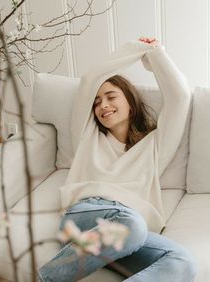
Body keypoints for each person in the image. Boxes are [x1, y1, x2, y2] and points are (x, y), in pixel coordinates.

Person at [38, 38, 198, 282]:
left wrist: (155, 54)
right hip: (87, 215)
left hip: (129, 234)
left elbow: (180, 96)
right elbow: (91, 77)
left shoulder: (154, 147)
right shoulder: (87, 136)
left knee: (182, 262)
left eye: (111, 96)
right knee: (131, 224)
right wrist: (135, 49)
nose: (103, 105)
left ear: (131, 104)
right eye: (97, 102)